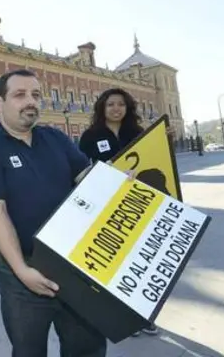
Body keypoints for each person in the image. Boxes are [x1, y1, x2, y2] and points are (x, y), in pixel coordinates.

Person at [0, 69, 112, 357]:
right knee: (29, 350)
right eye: (19, 95)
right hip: (21, 268)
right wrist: (22, 271)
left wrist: (117, 180)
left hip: (75, 260)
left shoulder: (55, 138)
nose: (30, 101)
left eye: (35, 95)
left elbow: (88, 179)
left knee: (88, 345)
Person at [77, 87, 169, 337]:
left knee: (141, 259)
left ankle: (143, 314)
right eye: (110, 105)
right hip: (108, 207)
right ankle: (120, 312)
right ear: (102, 109)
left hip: (139, 204)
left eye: (120, 104)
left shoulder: (138, 134)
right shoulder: (90, 136)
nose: (116, 109)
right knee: (116, 261)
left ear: (127, 108)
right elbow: (82, 171)